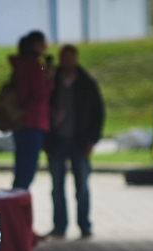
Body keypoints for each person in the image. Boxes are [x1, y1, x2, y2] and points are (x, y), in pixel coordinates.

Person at [45, 45, 105, 239]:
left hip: (80, 142)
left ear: (76, 59)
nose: (66, 62)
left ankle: (84, 225)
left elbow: (98, 114)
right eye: (63, 58)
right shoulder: (51, 83)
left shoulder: (87, 84)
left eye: (70, 58)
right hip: (57, 141)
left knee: (82, 187)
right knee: (57, 187)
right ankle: (59, 226)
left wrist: (92, 140)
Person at [10, 31, 54, 190]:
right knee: (27, 169)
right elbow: (39, 93)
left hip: (21, 122)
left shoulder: (20, 65)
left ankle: (16, 200)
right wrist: (49, 79)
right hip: (32, 122)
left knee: (21, 166)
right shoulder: (34, 66)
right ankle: (18, 203)